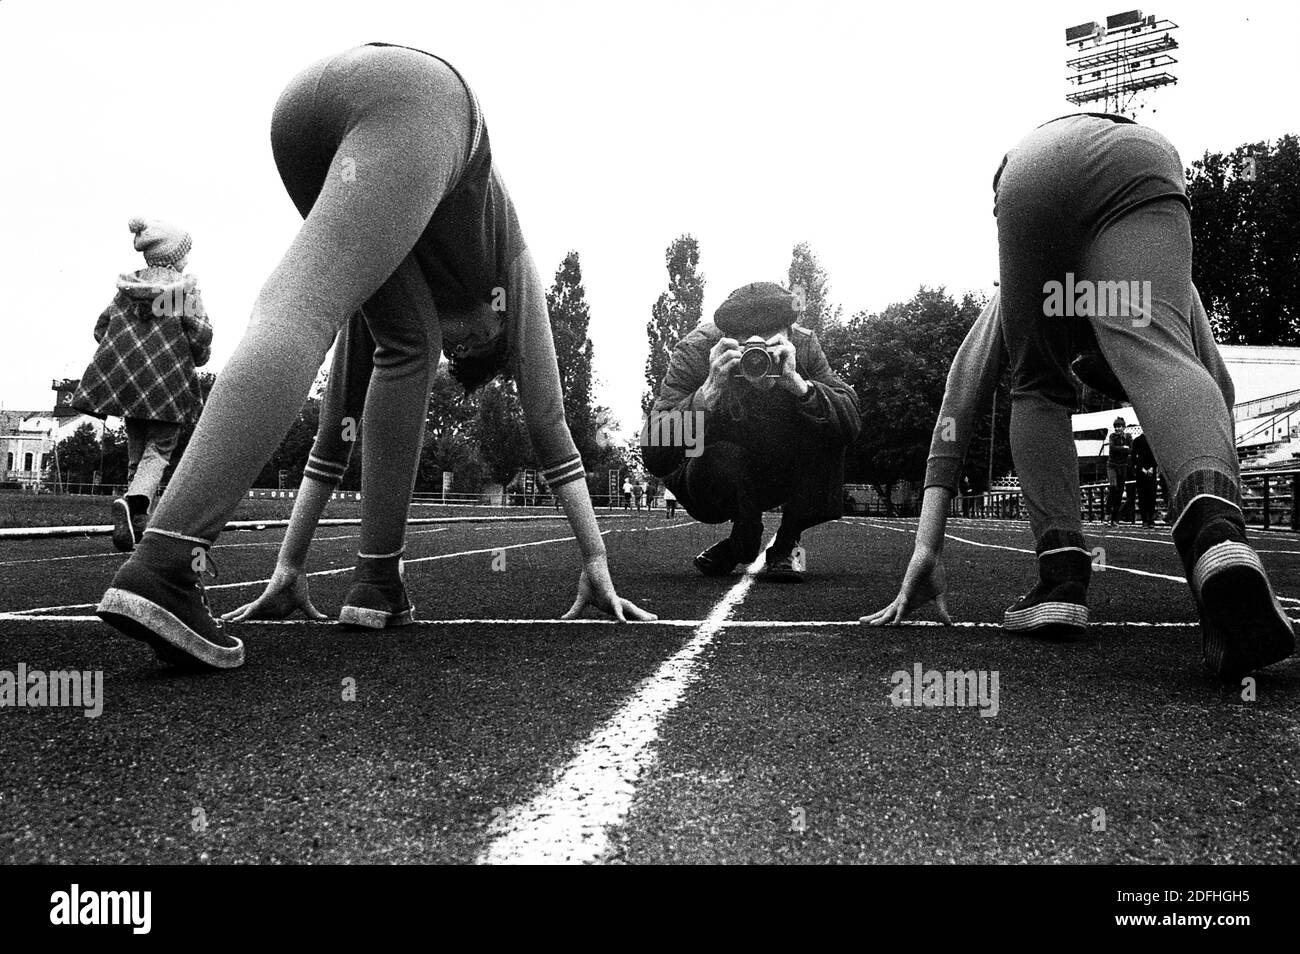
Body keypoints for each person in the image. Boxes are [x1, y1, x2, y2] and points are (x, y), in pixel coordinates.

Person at [97, 43, 652, 669]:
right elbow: (550, 426)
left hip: (309, 111)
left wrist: (289, 566)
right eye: (469, 341)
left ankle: (377, 583)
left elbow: (335, 431)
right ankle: (167, 564)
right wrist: (597, 561)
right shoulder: (515, 271)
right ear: (497, 321)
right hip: (424, 100)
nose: (457, 342)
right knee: (302, 307)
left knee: (406, 344)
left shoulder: (400, 256)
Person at [866, 113, 1293, 680]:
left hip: (1034, 167)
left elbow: (959, 400)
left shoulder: (1026, 301)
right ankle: (1215, 534)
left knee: (1038, 387)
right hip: (1142, 157)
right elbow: (1217, 386)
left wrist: (928, 545)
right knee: (1163, 356)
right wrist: (1214, 494)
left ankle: (1062, 578)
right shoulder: (1161, 287)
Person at [642, 281, 861, 583]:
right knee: (720, 456)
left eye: (770, 344)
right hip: (708, 476)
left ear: (789, 332)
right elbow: (655, 453)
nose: (758, 356)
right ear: (726, 339)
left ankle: (787, 544)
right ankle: (743, 537)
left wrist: (800, 387)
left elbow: (851, 423)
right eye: (747, 345)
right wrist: (709, 391)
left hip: (775, 467)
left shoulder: (805, 347)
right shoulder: (696, 350)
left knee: (830, 427)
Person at [72, 218, 212, 552]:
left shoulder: (126, 292)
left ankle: (135, 523)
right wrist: (198, 356)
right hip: (168, 384)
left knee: (138, 450)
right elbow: (201, 334)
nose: (187, 260)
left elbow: (101, 328)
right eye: (185, 254)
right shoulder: (183, 292)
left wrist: (126, 353)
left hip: (129, 386)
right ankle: (136, 506)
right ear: (173, 257)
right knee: (160, 450)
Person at [1104, 416, 1133, 525]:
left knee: (1120, 492)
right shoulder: (1112, 436)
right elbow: (1112, 448)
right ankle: (1107, 513)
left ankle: (1114, 518)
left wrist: (1123, 449)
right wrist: (1124, 448)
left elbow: (1131, 450)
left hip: (1123, 466)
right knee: (1113, 487)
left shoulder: (1128, 436)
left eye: (1119, 426)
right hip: (1112, 465)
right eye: (1116, 427)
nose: (1117, 429)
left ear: (1124, 427)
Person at [1131, 431, 1159, 528]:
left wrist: (1152, 468)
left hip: (1151, 471)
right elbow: (1133, 457)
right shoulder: (1137, 440)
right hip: (1141, 472)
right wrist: (1142, 469)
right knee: (1142, 496)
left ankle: (1150, 518)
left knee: (1152, 495)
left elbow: (1157, 456)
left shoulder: (1153, 440)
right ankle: (1145, 520)